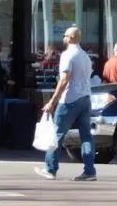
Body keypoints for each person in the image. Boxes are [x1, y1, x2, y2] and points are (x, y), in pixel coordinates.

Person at [34, 26, 96, 181]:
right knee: (86, 135)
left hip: (70, 99)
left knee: (57, 134)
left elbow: (64, 80)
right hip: (85, 98)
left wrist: (52, 102)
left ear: (71, 38)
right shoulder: (85, 56)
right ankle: (90, 171)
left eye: (65, 35)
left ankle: (50, 169)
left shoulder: (68, 55)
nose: (63, 38)